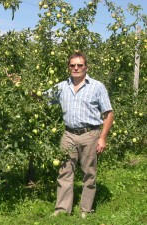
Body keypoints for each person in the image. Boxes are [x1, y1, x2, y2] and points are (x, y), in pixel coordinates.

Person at [45, 52, 114, 218]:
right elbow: (41, 98)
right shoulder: (61, 87)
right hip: (68, 134)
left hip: (89, 134)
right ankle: (62, 209)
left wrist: (102, 138)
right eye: (72, 65)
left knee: (89, 173)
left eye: (79, 65)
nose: (76, 68)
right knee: (64, 172)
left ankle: (86, 210)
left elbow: (109, 113)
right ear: (69, 67)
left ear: (86, 67)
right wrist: (21, 88)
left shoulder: (97, 86)